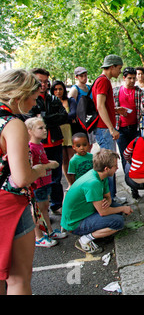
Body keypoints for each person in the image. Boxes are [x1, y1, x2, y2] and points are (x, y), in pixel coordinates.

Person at [0, 69, 56, 294]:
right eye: (33, 96)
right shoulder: (12, 123)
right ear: (19, 94)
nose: (35, 102)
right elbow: (21, 177)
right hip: (9, 205)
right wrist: (39, 168)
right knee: (18, 278)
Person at [61, 149, 132, 254]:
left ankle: (97, 232)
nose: (117, 168)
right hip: (75, 223)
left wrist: (107, 201)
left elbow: (108, 197)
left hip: (83, 213)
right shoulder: (93, 183)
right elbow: (103, 212)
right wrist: (123, 208)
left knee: (116, 210)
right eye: (115, 166)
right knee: (118, 222)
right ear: (106, 168)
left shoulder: (99, 175)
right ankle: (84, 240)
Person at [27, 68, 68, 215]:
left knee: (56, 177)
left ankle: (57, 205)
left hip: (55, 141)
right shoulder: (30, 100)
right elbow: (30, 120)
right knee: (39, 180)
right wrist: (50, 117)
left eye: (45, 82)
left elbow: (64, 116)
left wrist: (44, 117)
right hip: (39, 144)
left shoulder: (53, 98)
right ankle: (41, 213)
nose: (43, 85)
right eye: (40, 82)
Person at [25, 117, 66, 248]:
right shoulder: (31, 148)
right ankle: (39, 237)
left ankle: (49, 231)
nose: (45, 130)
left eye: (45, 127)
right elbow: (33, 166)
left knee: (44, 208)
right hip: (37, 184)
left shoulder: (40, 145)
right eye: (40, 128)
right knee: (36, 210)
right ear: (30, 131)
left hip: (44, 182)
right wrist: (50, 164)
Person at [92, 54, 127, 206]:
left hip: (104, 128)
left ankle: (111, 197)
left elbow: (104, 105)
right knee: (109, 165)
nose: (120, 72)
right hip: (104, 129)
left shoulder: (102, 81)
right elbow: (100, 106)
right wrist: (111, 128)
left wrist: (115, 109)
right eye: (119, 68)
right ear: (111, 67)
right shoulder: (103, 81)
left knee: (110, 164)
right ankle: (110, 199)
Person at [113, 67, 144, 199]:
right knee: (125, 158)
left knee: (137, 157)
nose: (132, 81)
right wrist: (117, 110)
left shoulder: (138, 91)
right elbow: (108, 107)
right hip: (121, 130)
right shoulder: (116, 91)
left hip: (134, 129)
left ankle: (137, 183)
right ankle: (132, 187)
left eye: (134, 78)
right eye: (129, 78)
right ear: (124, 78)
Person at [51, 81, 77, 186]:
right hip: (57, 134)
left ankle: (77, 182)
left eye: (60, 89)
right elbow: (50, 118)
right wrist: (66, 117)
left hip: (70, 133)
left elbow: (73, 113)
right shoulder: (51, 103)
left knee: (73, 158)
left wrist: (58, 117)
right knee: (64, 160)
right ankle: (70, 183)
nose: (58, 91)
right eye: (55, 89)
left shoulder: (70, 101)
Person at [67, 66, 92, 143]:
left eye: (85, 76)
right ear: (76, 77)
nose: (84, 78)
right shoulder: (75, 89)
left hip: (89, 118)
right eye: (81, 76)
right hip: (80, 120)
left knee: (90, 142)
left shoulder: (88, 87)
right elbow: (70, 104)